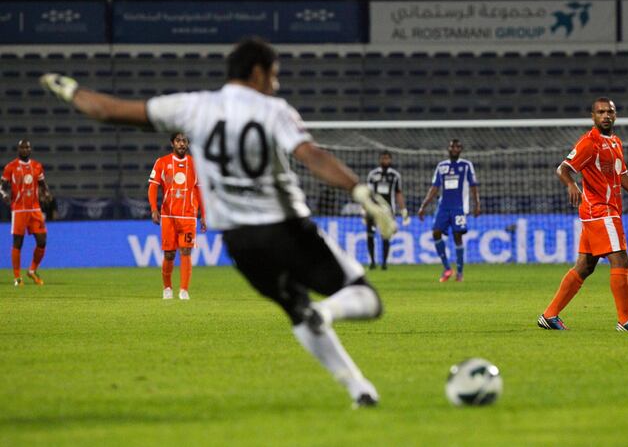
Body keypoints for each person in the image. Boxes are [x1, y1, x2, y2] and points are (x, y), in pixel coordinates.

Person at [40, 37, 396, 407]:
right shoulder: (274, 110)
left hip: (240, 244)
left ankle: (360, 389)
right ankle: (325, 312)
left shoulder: (192, 107)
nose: (275, 85)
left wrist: (71, 90)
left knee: (296, 312)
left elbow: (109, 111)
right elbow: (312, 156)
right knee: (366, 298)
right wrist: (358, 191)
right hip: (285, 229)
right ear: (257, 73)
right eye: (274, 76)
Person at [537, 97, 628, 332]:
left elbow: (621, 175)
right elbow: (563, 168)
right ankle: (625, 320)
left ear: (615, 115)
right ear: (592, 116)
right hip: (600, 210)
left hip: (604, 210)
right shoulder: (590, 142)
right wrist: (571, 185)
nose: (606, 115)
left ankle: (549, 315)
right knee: (620, 259)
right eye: (601, 112)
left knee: (585, 266)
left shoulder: (615, 141)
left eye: (610, 111)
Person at [148, 132, 207, 300]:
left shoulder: (195, 164)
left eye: (184, 141)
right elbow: (153, 187)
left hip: (188, 216)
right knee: (169, 254)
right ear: (172, 143)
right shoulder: (162, 162)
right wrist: (154, 209)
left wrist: (203, 214)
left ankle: (184, 290)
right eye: (178, 141)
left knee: (186, 251)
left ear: (188, 144)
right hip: (168, 216)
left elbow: (199, 190)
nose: (181, 143)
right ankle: (167, 288)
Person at [417, 139, 480, 282]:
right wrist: (423, 206)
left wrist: (477, 204)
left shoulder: (466, 165)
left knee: (458, 236)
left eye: (458, 147)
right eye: (452, 146)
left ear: (461, 149)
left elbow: (473, 186)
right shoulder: (441, 166)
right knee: (436, 232)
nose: (455, 149)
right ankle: (447, 268)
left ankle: (460, 272)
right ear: (449, 148)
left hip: (459, 206)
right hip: (443, 206)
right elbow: (434, 188)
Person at [1, 139, 52, 286]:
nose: (24, 150)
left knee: (42, 241)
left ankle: (32, 271)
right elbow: (2, 186)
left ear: (30, 150)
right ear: (18, 150)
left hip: (35, 209)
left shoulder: (37, 166)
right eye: (22, 147)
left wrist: (47, 193)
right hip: (19, 209)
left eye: (27, 147)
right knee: (18, 243)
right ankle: (17, 278)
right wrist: (4, 195)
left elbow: (43, 184)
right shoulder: (11, 167)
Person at [365, 150, 409, 270]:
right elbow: (368, 193)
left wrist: (403, 209)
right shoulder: (372, 175)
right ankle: (373, 262)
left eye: (387, 158)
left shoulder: (395, 176)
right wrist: (364, 210)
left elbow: (398, 193)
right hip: (373, 210)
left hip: (388, 211)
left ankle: (384, 263)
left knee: (386, 235)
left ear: (390, 160)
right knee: (370, 235)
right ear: (379, 160)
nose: (385, 160)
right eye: (383, 158)